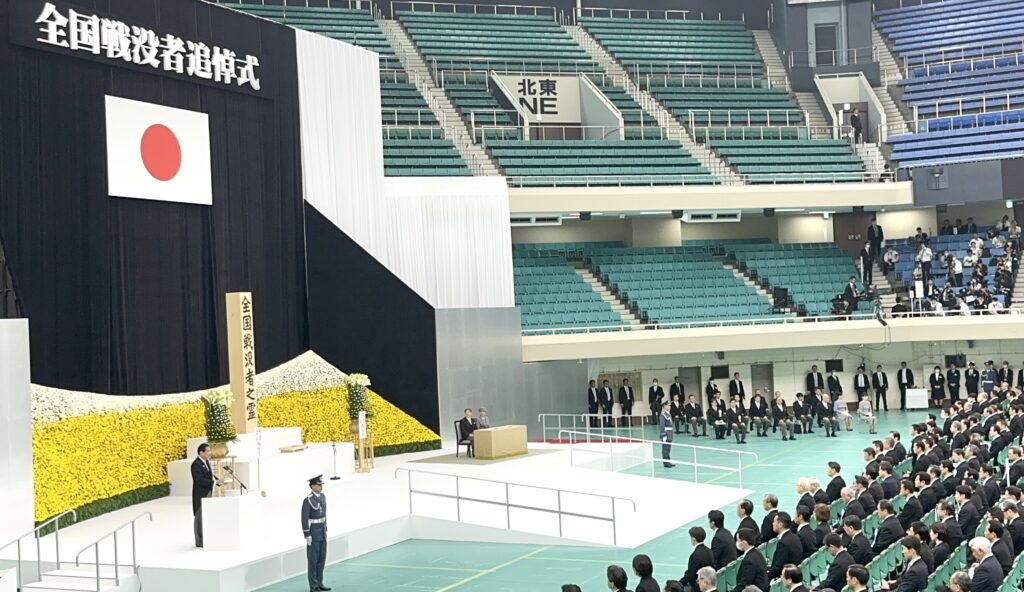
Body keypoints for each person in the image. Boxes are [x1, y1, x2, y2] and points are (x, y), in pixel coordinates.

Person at [301, 475, 331, 592]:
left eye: (321, 485)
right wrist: (307, 535)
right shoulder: (308, 500)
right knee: (313, 561)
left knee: (321, 560)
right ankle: (313, 586)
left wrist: (326, 528)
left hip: (322, 532)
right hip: (313, 533)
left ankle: (319, 582)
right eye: (318, 485)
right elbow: (304, 518)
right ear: (312, 486)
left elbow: (324, 514)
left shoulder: (322, 497)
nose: (320, 487)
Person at [191, 443, 222, 548]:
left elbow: (210, 476)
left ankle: (206, 538)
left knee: (206, 516)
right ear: (201, 452)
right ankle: (199, 542)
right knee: (199, 517)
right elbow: (199, 480)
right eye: (208, 451)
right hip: (200, 494)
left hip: (208, 492)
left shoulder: (206, 462)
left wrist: (218, 481)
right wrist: (213, 482)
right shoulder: (196, 464)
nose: (210, 453)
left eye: (210, 450)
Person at [768, 513, 802, 578]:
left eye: (774, 521)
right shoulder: (794, 536)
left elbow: (779, 566)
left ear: (780, 525)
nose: (773, 523)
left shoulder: (783, 543)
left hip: (786, 576)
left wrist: (768, 576)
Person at [681, 527, 714, 592]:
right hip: (709, 583)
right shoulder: (709, 551)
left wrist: (679, 584)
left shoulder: (695, 555)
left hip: (698, 587)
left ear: (693, 539)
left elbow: (690, 575)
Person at [659, 402, 674, 468]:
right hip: (666, 433)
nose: (669, 406)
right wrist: (663, 435)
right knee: (665, 448)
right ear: (664, 406)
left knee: (668, 448)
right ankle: (666, 463)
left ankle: (668, 461)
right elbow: (662, 426)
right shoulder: (663, 415)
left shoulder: (668, 414)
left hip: (670, 433)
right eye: (668, 405)